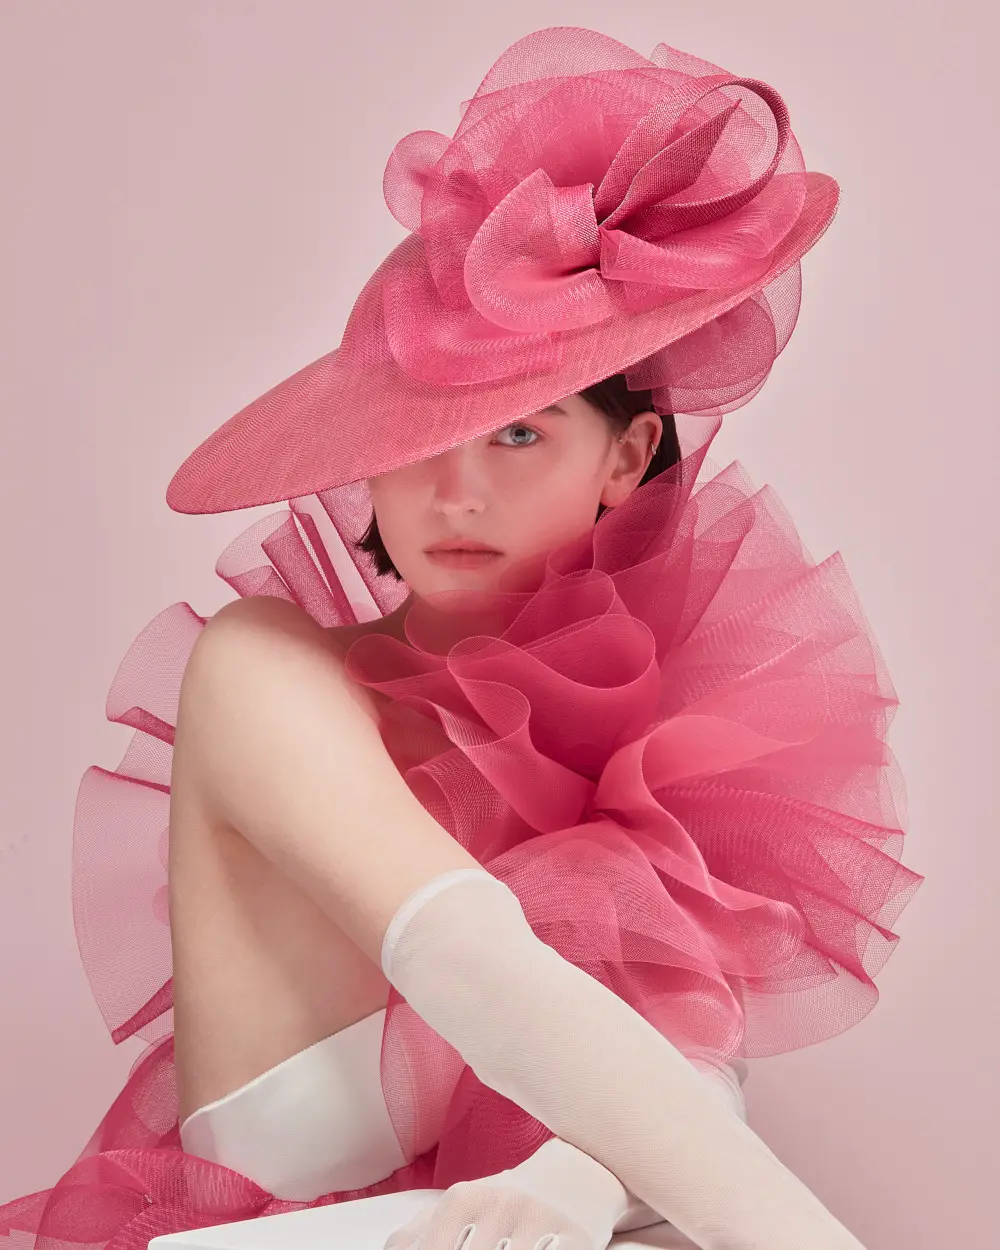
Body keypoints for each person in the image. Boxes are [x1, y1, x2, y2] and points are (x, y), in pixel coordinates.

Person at [0, 25, 924, 1250]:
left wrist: (580, 1182)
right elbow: (477, 968)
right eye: (419, 433)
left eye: (519, 433)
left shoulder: (628, 750)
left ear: (628, 458)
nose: (455, 491)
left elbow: (684, 1071)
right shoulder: (263, 666)